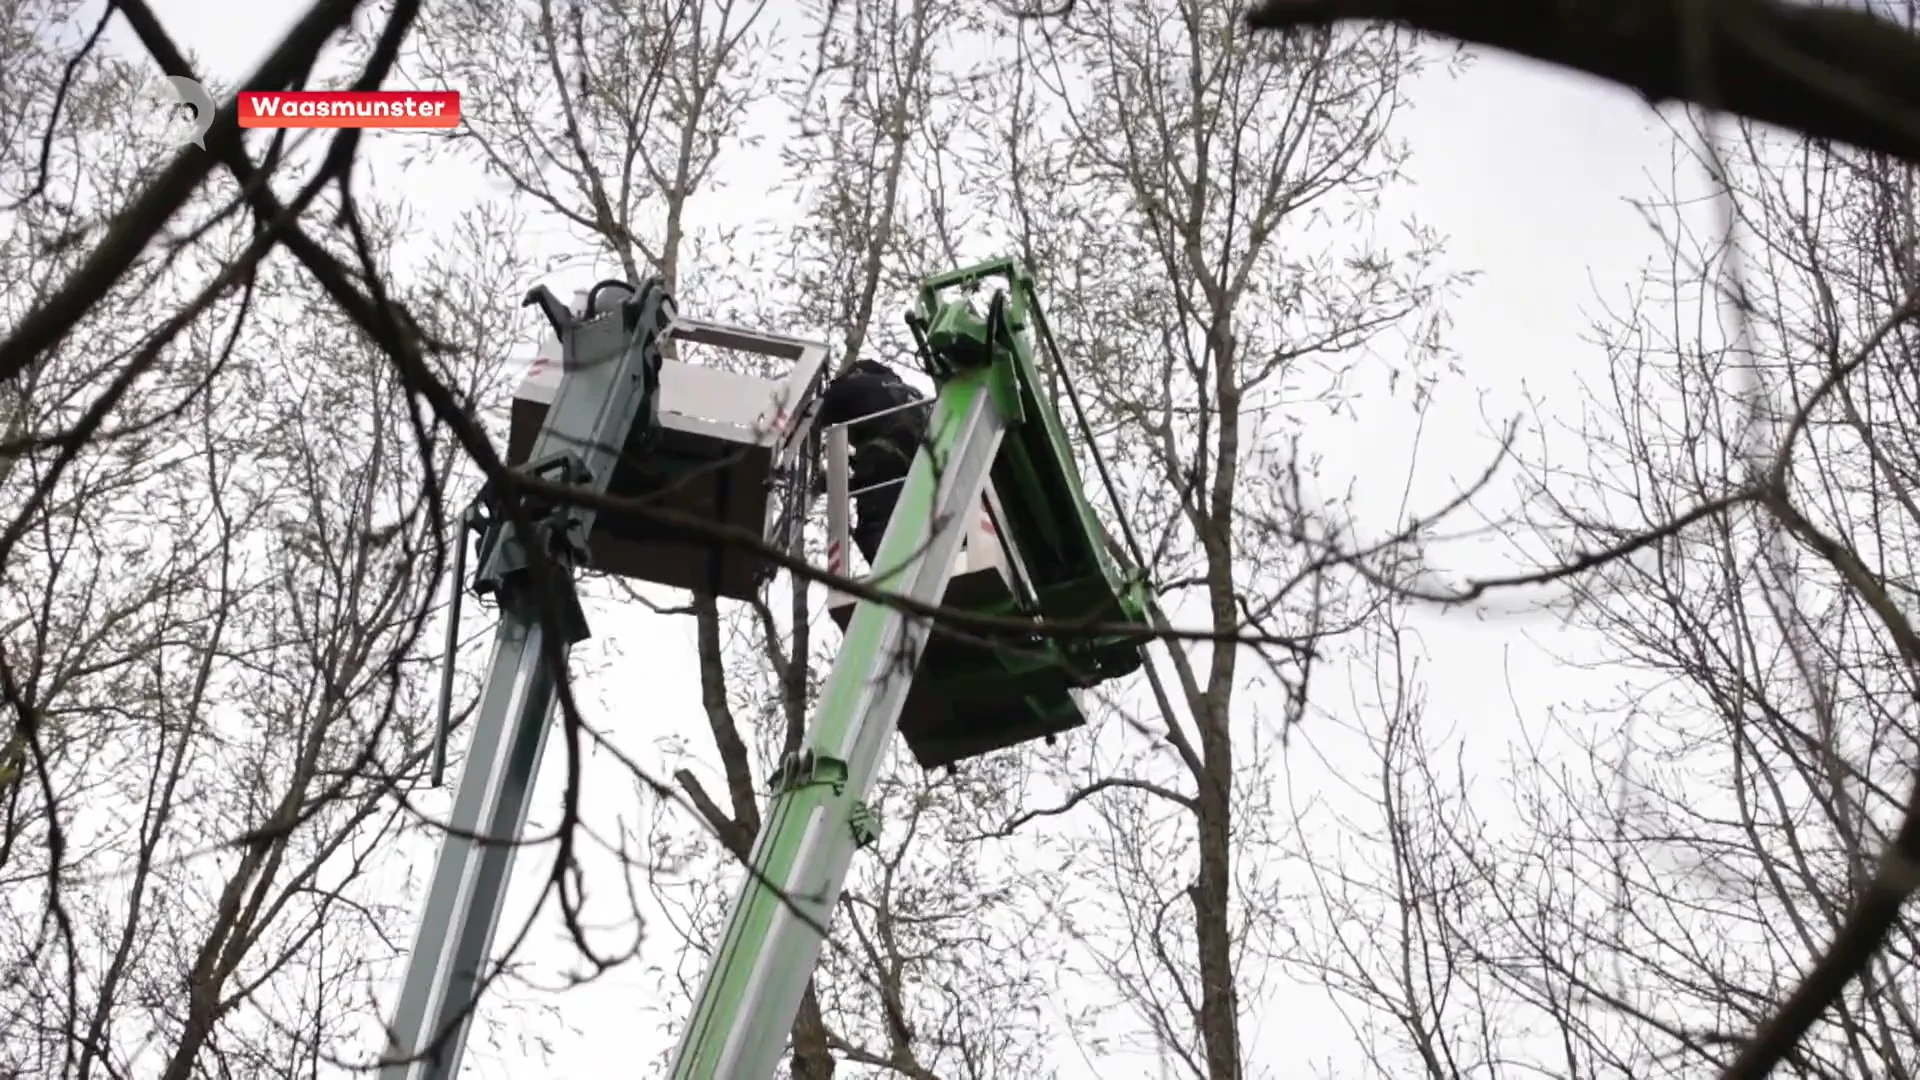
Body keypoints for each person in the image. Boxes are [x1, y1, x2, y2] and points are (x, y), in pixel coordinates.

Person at [813, 359, 928, 565]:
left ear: (857, 372)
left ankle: (889, 575)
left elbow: (821, 407)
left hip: (884, 467)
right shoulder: (911, 395)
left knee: (877, 534)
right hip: (916, 478)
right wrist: (838, 483)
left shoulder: (864, 384)